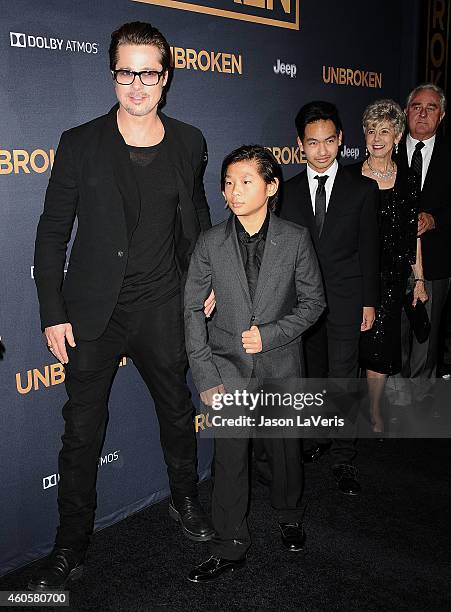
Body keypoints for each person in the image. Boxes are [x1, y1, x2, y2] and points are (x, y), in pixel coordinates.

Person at [29, 21, 215, 591]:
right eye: (126, 73)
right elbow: (51, 235)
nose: (137, 85)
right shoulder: (79, 143)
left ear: (166, 78)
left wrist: (204, 280)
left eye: (149, 73)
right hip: (93, 313)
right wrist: (52, 311)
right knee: (81, 431)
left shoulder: (190, 142)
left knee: (177, 414)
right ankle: (71, 542)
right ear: (113, 75)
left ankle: (184, 499)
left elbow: (198, 219)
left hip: (163, 304)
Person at [184, 145, 325, 582]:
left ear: (271, 186)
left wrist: (272, 334)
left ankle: (289, 514)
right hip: (225, 365)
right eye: (227, 182)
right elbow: (191, 309)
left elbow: (314, 303)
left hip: (281, 362)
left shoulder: (296, 238)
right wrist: (205, 375)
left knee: (286, 448)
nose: (233, 191)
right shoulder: (209, 242)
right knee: (229, 457)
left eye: (245, 181)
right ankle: (229, 544)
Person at [279, 101, 379, 495]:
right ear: (299, 144)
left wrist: (368, 302)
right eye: (312, 142)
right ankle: (316, 437)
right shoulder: (284, 192)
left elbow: (370, 250)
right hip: (301, 303)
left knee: (342, 376)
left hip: (346, 297)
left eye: (329, 141)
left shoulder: (363, 189)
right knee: (310, 374)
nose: (321, 151)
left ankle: (343, 457)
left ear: (341, 141)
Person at [354, 99, 427, 432]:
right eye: (372, 130)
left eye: (385, 130)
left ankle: (374, 408)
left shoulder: (409, 179)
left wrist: (420, 279)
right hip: (356, 273)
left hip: (393, 275)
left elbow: (413, 235)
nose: (378, 136)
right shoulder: (351, 177)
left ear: (398, 135)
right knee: (353, 340)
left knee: (381, 342)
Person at [387, 84, 451, 406]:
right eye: (416, 106)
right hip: (393, 262)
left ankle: (423, 395)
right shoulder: (387, 150)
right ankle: (397, 393)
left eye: (431, 107)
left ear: (442, 115)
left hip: (436, 260)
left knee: (426, 332)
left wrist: (434, 220)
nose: (423, 113)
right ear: (406, 111)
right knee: (394, 328)